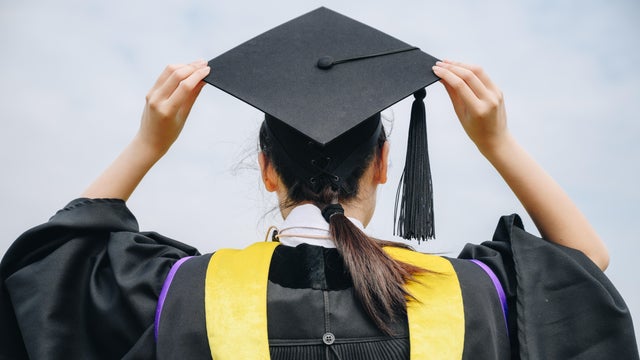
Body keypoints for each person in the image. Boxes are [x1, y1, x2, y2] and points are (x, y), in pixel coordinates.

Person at [1, 7, 637, 360]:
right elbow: (582, 268)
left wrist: (147, 143)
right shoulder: (475, 298)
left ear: (266, 167)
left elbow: (52, 266)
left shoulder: (179, 293)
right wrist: (497, 140)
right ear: (386, 164)